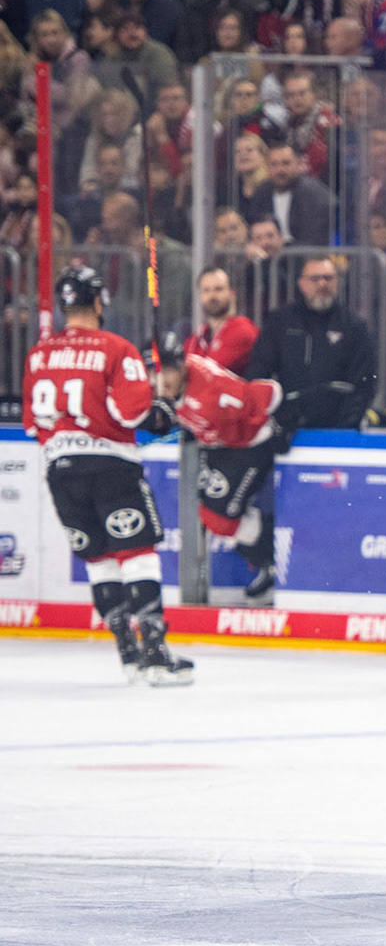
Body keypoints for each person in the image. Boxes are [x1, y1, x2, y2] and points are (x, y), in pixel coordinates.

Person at [23, 267, 187, 685]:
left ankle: (128, 655)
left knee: (98, 559)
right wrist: (162, 411)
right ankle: (155, 654)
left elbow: (32, 424)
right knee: (137, 553)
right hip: (110, 466)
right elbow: (131, 413)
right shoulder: (116, 348)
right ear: (98, 303)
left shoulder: (38, 354)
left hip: (59, 470)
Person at [153, 335, 283, 605]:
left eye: (168, 372)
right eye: (155, 372)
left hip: (249, 446)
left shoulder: (215, 391)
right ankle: (268, 563)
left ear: (181, 367)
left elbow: (267, 394)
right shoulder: (165, 385)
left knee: (222, 519)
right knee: (213, 518)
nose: (160, 381)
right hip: (219, 447)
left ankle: (273, 563)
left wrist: (279, 422)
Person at [247, 257, 379, 429]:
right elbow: (259, 370)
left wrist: (348, 424)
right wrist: (277, 417)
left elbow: (365, 381)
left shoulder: (354, 326)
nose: (322, 284)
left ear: (337, 282)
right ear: (301, 283)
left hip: (338, 429)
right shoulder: (280, 321)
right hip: (288, 426)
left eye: (328, 278)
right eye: (315, 278)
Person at [184, 266, 258, 373]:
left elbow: (210, 373)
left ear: (232, 294)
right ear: (200, 296)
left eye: (218, 289)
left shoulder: (243, 330)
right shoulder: (198, 337)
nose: (212, 296)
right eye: (206, 290)